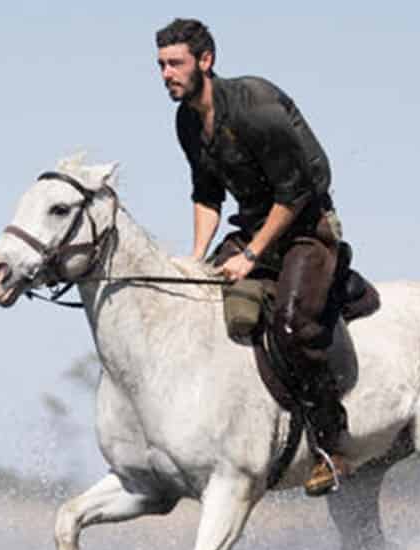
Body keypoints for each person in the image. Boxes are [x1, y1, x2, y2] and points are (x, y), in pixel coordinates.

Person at [158, 18, 351, 495]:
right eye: (160, 65)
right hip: (255, 230)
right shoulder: (186, 121)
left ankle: (332, 444)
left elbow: (295, 191)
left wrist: (252, 255)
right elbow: (206, 196)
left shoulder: (254, 107)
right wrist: (197, 259)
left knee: (290, 324)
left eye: (175, 63)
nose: (166, 74)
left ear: (206, 61)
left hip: (308, 227)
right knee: (202, 306)